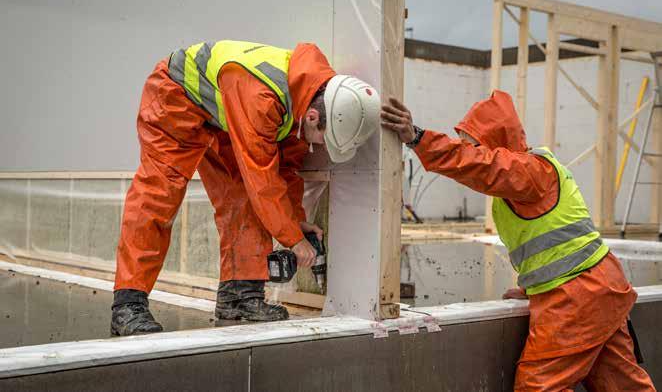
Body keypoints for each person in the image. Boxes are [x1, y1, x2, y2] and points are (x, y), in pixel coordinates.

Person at [381, 91, 656, 391]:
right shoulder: (527, 180)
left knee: (538, 387)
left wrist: (417, 137)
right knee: (622, 385)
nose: (467, 149)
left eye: (471, 144)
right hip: (600, 289)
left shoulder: (530, 171)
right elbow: (559, 242)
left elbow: (481, 165)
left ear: (495, 143)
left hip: (577, 297)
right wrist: (530, 287)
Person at [111, 40, 380, 336]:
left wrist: (296, 221)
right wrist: (293, 240)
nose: (319, 147)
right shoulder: (262, 95)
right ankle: (128, 304)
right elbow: (262, 182)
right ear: (314, 118)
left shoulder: (304, 98)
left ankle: (239, 296)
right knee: (159, 193)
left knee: (242, 197)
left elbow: (284, 171)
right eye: (323, 140)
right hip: (175, 96)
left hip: (221, 114)